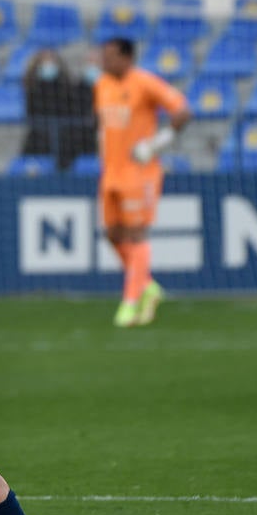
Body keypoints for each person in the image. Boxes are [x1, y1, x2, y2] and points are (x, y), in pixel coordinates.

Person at [93, 37, 191, 328]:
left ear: (127, 57)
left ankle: (131, 301)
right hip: (111, 171)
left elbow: (183, 112)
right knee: (113, 234)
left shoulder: (145, 82)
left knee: (136, 234)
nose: (104, 61)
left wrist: (156, 144)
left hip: (139, 172)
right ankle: (147, 286)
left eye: (110, 56)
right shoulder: (102, 85)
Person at [21, 47, 95, 172]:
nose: (48, 64)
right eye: (44, 60)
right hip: (39, 140)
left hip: (68, 140)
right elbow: (33, 113)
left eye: (51, 60)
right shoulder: (32, 88)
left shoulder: (68, 87)